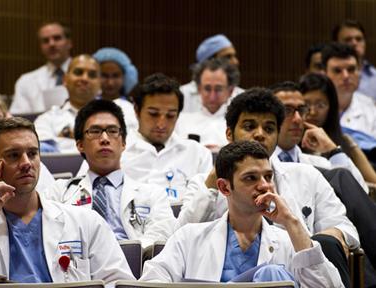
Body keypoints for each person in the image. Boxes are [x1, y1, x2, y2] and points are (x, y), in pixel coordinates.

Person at [177, 88, 359, 287]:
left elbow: (344, 226)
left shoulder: (307, 175)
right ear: (229, 133)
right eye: (249, 126)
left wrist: (334, 234)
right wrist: (214, 180)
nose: (260, 134)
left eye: (269, 128)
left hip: (297, 276)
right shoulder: (205, 182)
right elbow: (180, 236)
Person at [0, 117, 135, 283]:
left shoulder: (86, 223)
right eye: (14, 155)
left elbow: (118, 282)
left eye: (32, 153)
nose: (26, 163)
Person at [141, 141, 343, 286]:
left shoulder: (290, 241)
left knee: (272, 274)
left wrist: (292, 222)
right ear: (225, 188)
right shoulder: (189, 237)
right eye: (251, 178)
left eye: (268, 176)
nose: (265, 186)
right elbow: (151, 281)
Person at [43, 100, 175, 249]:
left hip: (136, 266)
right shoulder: (58, 193)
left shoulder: (153, 194)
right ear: (80, 145)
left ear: (124, 142)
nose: (105, 139)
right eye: (95, 131)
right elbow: (49, 237)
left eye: (112, 131)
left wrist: (119, 255)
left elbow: (160, 235)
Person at [118, 73, 213, 202]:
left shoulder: (198, 154)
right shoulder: (115, 150)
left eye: (170, 115)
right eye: (153, 114)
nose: (161, 124)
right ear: (136, 110)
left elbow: (209, 204)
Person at [270, 81, 368, 192]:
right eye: (287, 110)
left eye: (301, 110)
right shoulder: (259, 162)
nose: (298, 119)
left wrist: (332, 150)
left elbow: (360, 192)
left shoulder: (319, 163)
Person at [299, 73, 376, 184]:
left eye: (320, 105)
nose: (312, 112)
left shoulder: (346, 142)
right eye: (306, 105)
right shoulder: (291, 143)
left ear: (331, 108)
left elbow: (373, 182)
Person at [34, 54, 101, 153]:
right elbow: (45, 155)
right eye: (78, 72)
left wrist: (67, 141)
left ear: (100, 84)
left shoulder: (115, 116)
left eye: (92, 75)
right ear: (65, 79)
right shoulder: (46, 120)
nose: (85, 78)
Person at [175, 58, 239, 151]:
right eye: (207, 89)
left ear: (230, 91)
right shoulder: (180, 121)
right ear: (199, 89)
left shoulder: (237, 125)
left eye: (218, 89)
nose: (212, 96)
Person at [10, 21, 73, 114]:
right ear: (41, 47)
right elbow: (19, 118)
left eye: (57, 38)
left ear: (69, 43)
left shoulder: (90, 76)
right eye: (45, 41)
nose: (51, 44)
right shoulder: (26, 81)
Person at [321, 42, 376, 139]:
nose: (346, 76)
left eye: (351, 69)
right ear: (324, 74)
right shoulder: (313, 107)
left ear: (359, 71)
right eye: (337, 71)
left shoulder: (371, 109)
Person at [180, 34, 244, 113]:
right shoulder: (182, 94)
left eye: (218, 89)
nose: (235, 62)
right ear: (210, 61)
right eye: (228, 57)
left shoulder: (243, 96)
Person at [93, 47, 139, 131]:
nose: (110, 82)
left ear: (125, 77)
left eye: (115, 76)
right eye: (105, 75)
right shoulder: (88, 104)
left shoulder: (134, 106)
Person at [332, 20, 376, 101]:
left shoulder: (374, 76)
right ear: (336, 43)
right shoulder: (328, 74)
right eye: (348, 40)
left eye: (359, 39)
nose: (354, 43)